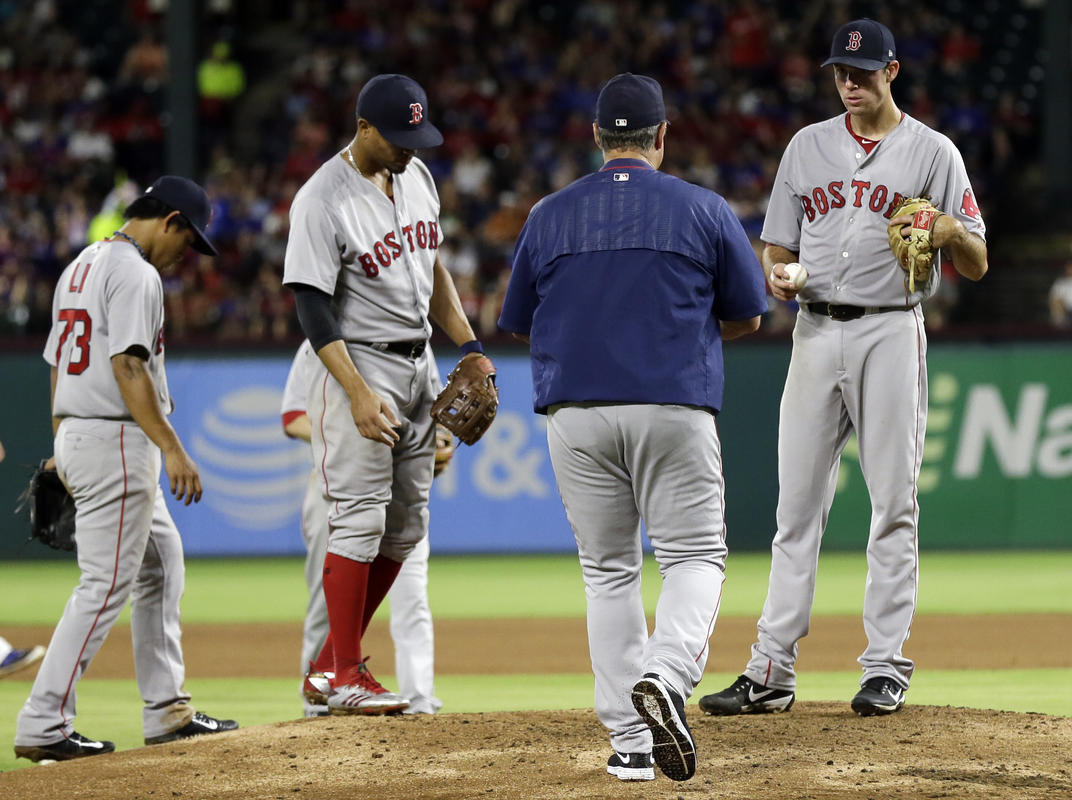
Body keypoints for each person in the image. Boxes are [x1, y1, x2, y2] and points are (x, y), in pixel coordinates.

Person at [699, 18, 988, 719]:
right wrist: (778, 276)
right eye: (840, 73)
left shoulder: (932, 152)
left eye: (863, 72)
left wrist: (948, 230)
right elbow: (775, 246)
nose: (850, 83)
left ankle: (885, 664)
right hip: (815, 329)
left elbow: (977, 262)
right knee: (794, 507)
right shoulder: (807, 146)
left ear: (893, 72)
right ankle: (771, 669)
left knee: (893, 502)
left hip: (891, 330)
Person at [498, 73, 767, 783]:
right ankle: (668, 678)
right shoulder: (704, 208)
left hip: (575, 412)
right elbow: (749, 316)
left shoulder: (549, 214)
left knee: (607, 573)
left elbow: (519, 321)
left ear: (596, 137)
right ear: (661, 137)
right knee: (694, 557)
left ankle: (629, 744)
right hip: (671, 405)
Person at [282, 74, 489, 715]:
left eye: (417, 136)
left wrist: (469, 346)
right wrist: (355, 393)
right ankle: (345, 675)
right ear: (363, 127)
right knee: (361, 518)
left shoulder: (417, 179)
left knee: (404, 527)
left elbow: (433, 272)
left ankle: (328, 666)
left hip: (420, 361)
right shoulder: (321, 198)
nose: (409, 148)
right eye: (398, 137)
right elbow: (312, 309)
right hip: (360, 362)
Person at [14, 176, 239, 763]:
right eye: (187, 240)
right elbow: (128, 367)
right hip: (117, 437)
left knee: (160, 562)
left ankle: (168, 710)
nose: (185, 254)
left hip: (84, 431)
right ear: (168, 221)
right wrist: (173, 448)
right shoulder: (138, 272)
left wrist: (62, 440)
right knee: (104, 584)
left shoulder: (79, 266)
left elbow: (60, 367)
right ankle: (44, 721)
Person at [280, 340, 446, 717]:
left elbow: (427, 417)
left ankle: (420, 702)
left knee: (412, 599)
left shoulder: (417, 343)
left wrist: (431, 447)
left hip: (401, 483)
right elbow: (292, 417)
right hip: (339, 483)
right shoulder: (318, 343)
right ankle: (320, 697)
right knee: (327, 606)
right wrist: (351, 432)